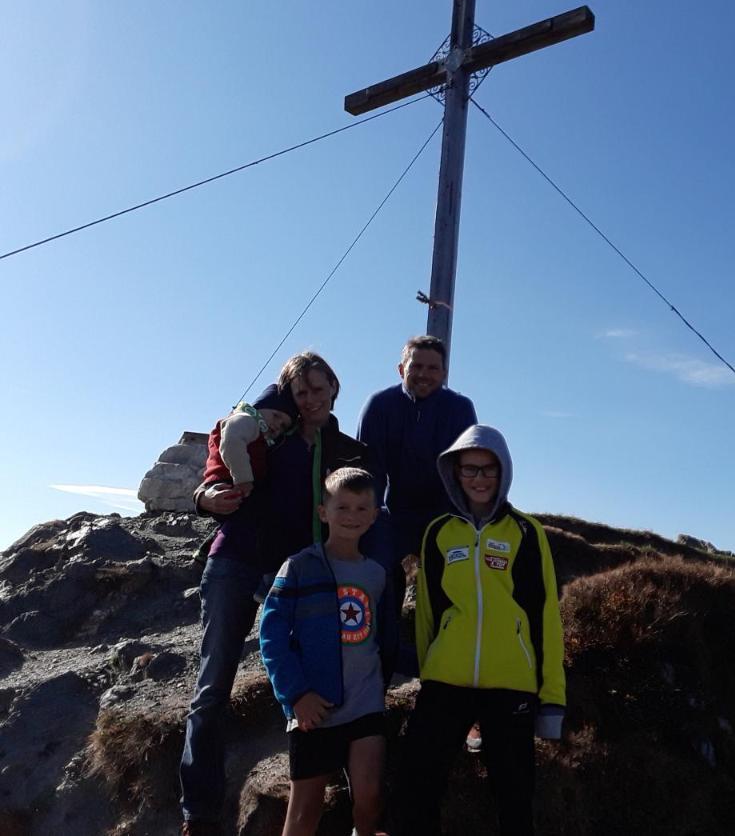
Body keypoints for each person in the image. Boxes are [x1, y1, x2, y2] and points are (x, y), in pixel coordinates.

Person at [179, 352, 378, 836]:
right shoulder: (272, 428)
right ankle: (200, 814)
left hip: (296, 574)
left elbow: (365, 508)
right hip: (233, 560)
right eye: (301, 391)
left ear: (335, 386)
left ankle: (314, 791)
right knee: (212, 689)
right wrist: (202, 496)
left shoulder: (348, 451)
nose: (310, 398)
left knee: (309, 678)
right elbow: (220, 448)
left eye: (318, 388)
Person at [403, 425, 566, 836]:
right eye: (470, 469)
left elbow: (544, 614)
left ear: (504, 472)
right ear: (455, 473)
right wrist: (430, 670)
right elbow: (428, 614)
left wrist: (551, 699)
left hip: (511, 683)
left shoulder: (526, 533)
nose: (479, 478)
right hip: (445, 682)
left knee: (515, 797)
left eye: (489, 469)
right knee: (417, 786)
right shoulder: (438, 532)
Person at [259, 467, 398, 836]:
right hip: (314, 707)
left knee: (369, 798)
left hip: (366, 702)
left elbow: (385, 637)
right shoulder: (299, 566)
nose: (351, 516)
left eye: (361, 508)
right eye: (342, 507)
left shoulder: (378, 573)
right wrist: (297, 695)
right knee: (304, 813)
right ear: (324, 512)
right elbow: (271, 635)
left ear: (373, 515)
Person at [356, 335, 477, 558]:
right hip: (394, 516)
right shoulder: (379, 406)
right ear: (401, 370)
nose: (424, 374)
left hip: (447, 518)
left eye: (432, 368)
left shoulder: (460, 409)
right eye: (416, 366)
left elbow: (469, 470)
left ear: (444, 373)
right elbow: (369, 472)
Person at [200, 383, 298, 500]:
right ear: (260, 407)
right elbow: (232, 442)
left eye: (283, 426)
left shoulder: (262, 435)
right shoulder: (246, 419)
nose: (278, 424)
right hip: (229, 483)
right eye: (276, 416)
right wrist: (243, 480)